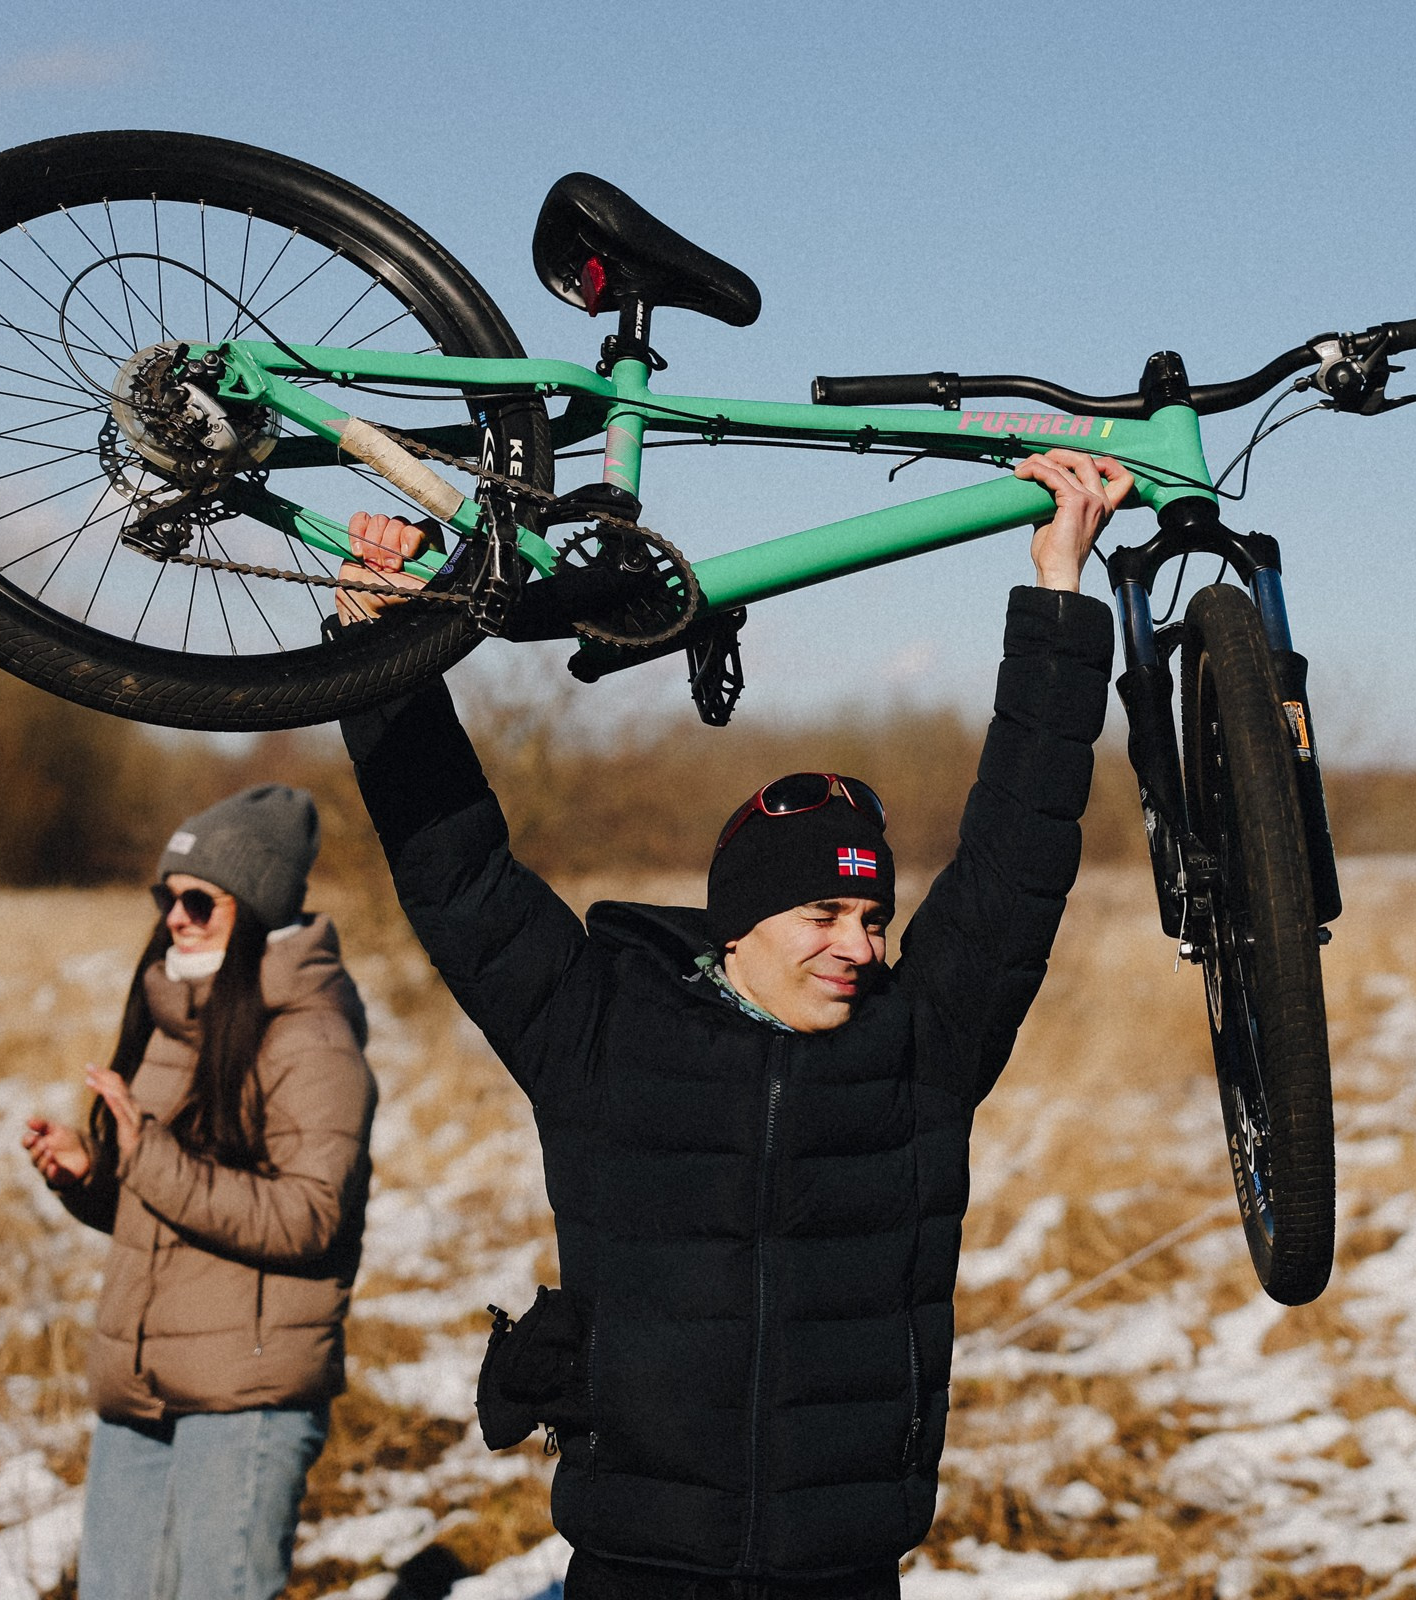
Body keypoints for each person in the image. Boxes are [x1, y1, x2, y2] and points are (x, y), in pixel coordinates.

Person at [336, 449, 1132, 1599]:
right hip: (637, 1565)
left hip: (841, 1568)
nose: (859, 945)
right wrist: (380, 649)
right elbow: (455, 870)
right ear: (740, 925)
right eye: (823, 914)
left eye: (874, 917)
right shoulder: (601, 1027)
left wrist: (1059, 593)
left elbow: (1019, 857)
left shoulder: (916, 1047)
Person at [20, 786, 376, 1600]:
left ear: (256, 908)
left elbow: (310, 1216)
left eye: (199, 901)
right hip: (140, 1386)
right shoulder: (174, 1017)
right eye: (167, 898)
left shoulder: (312, 1039)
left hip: (245, 1398)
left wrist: (147, 1157)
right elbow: (169, 1203)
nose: (175, 918)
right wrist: (92, 1174)